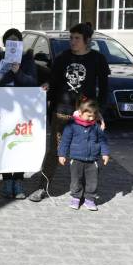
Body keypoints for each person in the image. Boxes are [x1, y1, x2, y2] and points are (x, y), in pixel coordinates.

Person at [29, 23, 109, 202]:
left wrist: (99, 112)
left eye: (77, 38)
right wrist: (48, 85)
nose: (72, 42)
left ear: (87, 40)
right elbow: (54, 79)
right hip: (61, 112)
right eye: (71, 38)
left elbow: (104, 89)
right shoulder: (63, 57)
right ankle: (43, 187)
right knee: (55, 151)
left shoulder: (98, 59)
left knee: (85, 153)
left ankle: (84, 192)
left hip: (84, 115)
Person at [0, 28, 37, 199]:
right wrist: (2, 74)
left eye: (16, 41)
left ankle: (18, 181)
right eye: (9, 41)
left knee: (20, 144)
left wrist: (17, 72)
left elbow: (31, 83)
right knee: (5, 144)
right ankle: (7, 181)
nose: (13, 44)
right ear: (5, 43)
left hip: (22, 110)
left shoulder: (27, 60)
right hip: (2, 109)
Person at [57, 99, 110, 211]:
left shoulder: (95, 126)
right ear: (80, 113)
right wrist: (62, 154)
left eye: (94, 116)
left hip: (92, 160)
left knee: (92, 181)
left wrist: (105, 153)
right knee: (76, 180)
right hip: (76, 159)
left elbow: (102, 141)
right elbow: (65, 141)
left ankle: (89, 199)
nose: (92, 118)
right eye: (89, 116)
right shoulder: (72, 125)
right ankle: (76, 198)